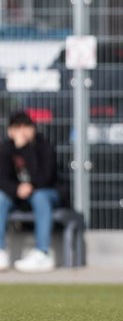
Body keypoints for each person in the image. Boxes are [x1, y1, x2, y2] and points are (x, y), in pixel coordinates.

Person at [0, 111, 63, 273]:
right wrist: (16, 189)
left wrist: (25, 149)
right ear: (10, 131)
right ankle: (1, 252)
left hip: (46, 194)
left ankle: (43, 253)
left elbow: (45, 178)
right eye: (17, 127)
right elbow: (2, 178)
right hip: (18, 196)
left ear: (33, 128)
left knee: (39, 196)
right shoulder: (6, 148)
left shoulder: (45, 146)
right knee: (0, 197)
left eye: (26, 126)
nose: (22, 131)